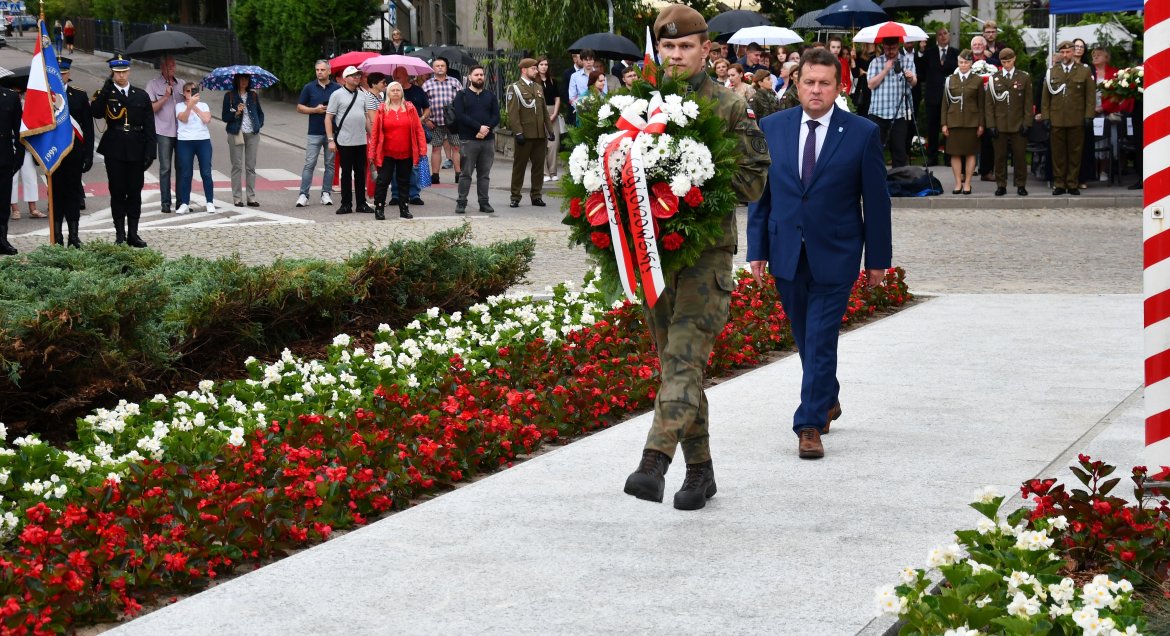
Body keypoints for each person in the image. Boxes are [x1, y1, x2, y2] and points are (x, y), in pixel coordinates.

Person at [623, 4, 769, 511]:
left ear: (706, 49)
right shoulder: (639, 106)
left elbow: (753, 180)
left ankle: (653, 462)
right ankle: (701, 472)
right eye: (668, 47)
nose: (677, 55)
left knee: (683, 358)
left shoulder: (730, 106)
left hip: (707, 254)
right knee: (675, 366)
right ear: (658, 50)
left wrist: (692, 180)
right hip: (655, 256)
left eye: (686, 46)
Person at [747, 47, 891, 461]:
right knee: (805, 336)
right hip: (786, 249)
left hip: (838, 252)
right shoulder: (773, 127)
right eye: (809, 82)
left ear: (839, 86)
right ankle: (827, 396)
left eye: (824, 83)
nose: (816, 90)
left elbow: (876, 202)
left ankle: (809, 424)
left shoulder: (861, 132)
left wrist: (878, 258)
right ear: (796, 84)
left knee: (822, 337)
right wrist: (757, 247)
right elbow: (762, 194)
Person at [92, 54, 156, 247]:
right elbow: (95, 112)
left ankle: (133, 234)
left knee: (135, 192)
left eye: (124, 71)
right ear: (113, 73)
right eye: (117, 72)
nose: (121, 75)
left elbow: (150, 126)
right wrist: (104, 90)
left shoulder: (140, 95)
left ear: (129, 71)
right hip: (115, 148)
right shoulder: (106, 93)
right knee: (118, 191)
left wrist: (150, 152)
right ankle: (120, 234)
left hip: (136, 147)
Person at [1042, 41, 1095, 195]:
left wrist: (1088, 116)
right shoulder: (1052, 71)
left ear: (1073, 52)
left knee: (1075, 152)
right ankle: (1059, 183)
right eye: (1062, 53)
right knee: (1058, 153)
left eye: (1068, 52)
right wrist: (1046, 116)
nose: (1065, 55)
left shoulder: (1083, 71)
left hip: (1076, 118)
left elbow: (1090, 96)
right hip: (1057, 118)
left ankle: (1072, 183)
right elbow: (1046, 98)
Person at [50, 57, 92, 247]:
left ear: (69, 74)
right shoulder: (45, 97)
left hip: (75, 152)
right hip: (53, 153)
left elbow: (89, 128)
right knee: (56, 194)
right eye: (58, 73)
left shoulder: (79, 96)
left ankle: (73, 236)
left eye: (64, 73)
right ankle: (57, 236)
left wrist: (89, 154)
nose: (61, 76)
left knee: (73, 194)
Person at [369, 81, 426, 220]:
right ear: (388, 93)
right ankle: (379, 208)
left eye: (398, 90)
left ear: (402, 93)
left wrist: (422, 149)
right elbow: (375, 132)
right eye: (392, 90)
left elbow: (419, 130)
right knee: (383, 181)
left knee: (404, 181)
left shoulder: (410, 108)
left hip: (406, 152)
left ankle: (404, 208)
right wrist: (372, 152)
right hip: (386, 153)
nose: (395, 92)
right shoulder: (382, 109)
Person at [325, 66, 375, 215]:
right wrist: (330, 140)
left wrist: (372, 136)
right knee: (346, 173)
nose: (357, 78)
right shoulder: (337, 95)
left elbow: (366, 117)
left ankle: (361, 203)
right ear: (345, 78)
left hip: (360, 140)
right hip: (344, 140)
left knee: (360, 173)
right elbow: (328, 118)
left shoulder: (363, 95)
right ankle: (346, 204)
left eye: (358, 75)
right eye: (353, 75)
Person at [985, 48, 1033, 196]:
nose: (1006, 64)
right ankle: (1001, 184)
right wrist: (991, 125)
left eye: (1009, 61)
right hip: (1000, 124)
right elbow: (989, 104)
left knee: (1019, 157)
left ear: (1014, 59)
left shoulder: (1023, 78)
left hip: (1018, 124)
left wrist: (1027, 123)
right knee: (1000, 157)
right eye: (1004, 62)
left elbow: (1028, 103)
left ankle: (1021, 184)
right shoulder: (994, 78)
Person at [452, 65, 499, 215]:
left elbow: (496, 116)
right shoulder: (462, 95)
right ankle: (461, 202)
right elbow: (460, 115)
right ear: (470, 77)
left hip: (488, 140)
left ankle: (484, 202)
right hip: (468, 140)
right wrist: (479, 128)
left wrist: (486, 130)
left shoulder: (490, 96)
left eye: (481, 75)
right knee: (466, 173)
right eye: (476, 75)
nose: (479, 77)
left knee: (484, 174)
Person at [505, 58, 550, 208]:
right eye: (533, 68)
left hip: (539, 134)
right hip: (525, 134)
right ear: (524, 70)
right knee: (520, 167)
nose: (536, 71)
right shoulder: (515, 88)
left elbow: (543, 110)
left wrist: (549, 130)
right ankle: (515, 196)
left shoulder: (538, 87)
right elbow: (513, 113)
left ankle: (536, 195)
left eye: (536, 68)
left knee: (538, 167)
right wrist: (518, 132)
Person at [867, 36, 917, 168]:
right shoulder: (876, 62)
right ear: (883, 47)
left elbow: (914, 83)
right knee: (875, 150)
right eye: (888, 48)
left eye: (893, 48)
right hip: (878, 112)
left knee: (899, 151)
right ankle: (877, 180)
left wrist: (911, 78)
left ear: (898, 46)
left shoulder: (907, 61)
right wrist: (885, 70)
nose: (890, 51)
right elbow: (871, 85)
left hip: (899, 113)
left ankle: (899, 182)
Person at [295, 60, 339, 208]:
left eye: (322, 70)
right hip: (314, 132)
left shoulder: (337, 88)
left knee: (330, 164)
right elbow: (300, 107)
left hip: (332, 132)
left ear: (329, 71)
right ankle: (303, 194)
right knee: (309, 163)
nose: (319, 72)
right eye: (317, 70)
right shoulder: (309, 87)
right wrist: (315, 110)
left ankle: (326, 193)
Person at [941, 50, 985, 195]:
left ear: (971, 63)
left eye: (966, 62)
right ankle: (958, 183)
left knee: (970, 153)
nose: (963, 65)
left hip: (971, 122)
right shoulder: (950, 80)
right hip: (953, 121)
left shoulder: (977, 80)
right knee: (955, 153)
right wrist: (944, 123)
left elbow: (981, 104)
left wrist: (981, 124)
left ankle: (967, 183)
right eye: (961, 62)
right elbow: (945, 103)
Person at [145, 55, 183, 213]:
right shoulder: (153, 85)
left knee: (181, 167)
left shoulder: (181, 84)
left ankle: (182, 202)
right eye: (169, 65)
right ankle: (165, 203)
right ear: (162, 67)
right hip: (163, 131)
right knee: (165, 168)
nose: (172, 68)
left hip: (181, 131)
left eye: (174, 65)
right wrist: (166, 96)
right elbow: (151, 109)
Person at [222, 73, 264, 207]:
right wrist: (236, 112)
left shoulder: (253, 95)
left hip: (252, 133)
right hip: (236, 133)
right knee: (237, 166)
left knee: (251, 166)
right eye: (241, 79)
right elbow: (224, 117)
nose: (244, 81)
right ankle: (237, 198)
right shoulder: (229, 96)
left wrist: (258, 125)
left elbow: (260, 113)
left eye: (246, 79)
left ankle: (251, 198)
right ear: (237, 80)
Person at [173, 82, 216, 215]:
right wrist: (189, 106)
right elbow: (183, 119)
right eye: (187, 91)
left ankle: (210, 202)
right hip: (185, 142)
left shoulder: (203, 105)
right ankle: (185, 203)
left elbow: (207, 119)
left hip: (202, 141)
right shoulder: (179, 106)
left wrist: (195, 107)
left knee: (206, 172)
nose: (189, 93)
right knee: (186, 173)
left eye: (192, 91)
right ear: (183, 93)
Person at [389, 67, 429, 206]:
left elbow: (427, 107)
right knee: (394, 166)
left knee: (414, 165)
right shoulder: (390, 92)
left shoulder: (417, 91)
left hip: (414, 133)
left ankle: (414, 194)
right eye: (394, 77)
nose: (396, 81)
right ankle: (396, 194)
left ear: (406, 76)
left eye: (398, 77)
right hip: (395, 135)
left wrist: (422, 118)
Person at [422, 57, 463, 186]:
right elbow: (423, 104)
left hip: (453, 122)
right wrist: (426, 120)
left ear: (446, 68)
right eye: (437, 66)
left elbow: (462, 101)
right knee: (436, 148)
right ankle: (435, 175)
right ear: (433, 68)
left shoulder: (455, 82)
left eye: (442, 65)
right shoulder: (427, 84)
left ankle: (458, 174)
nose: (440, 67)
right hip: (434, 122)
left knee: (456, 147)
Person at [921, 27, 958, 166]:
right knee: (932, 127)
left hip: (950, 96)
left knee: (950, 127)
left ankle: (949, 157)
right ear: (936, 37)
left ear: (949, 35)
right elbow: (921, 70)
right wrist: (921, 51)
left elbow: (957, 70)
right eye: (940, 34)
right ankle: (932, 157)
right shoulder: (929, 53)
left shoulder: (955, 53)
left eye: (945, 33)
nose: (942, 36)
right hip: (933, 95)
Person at [0, 84, 20, 256]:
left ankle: (2, 239)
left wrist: (19, 156)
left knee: (3, 200)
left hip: (4, 154)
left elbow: (19, 129)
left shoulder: (11, 97)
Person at [539, 57, 563, 182]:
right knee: (541, 144)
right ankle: (544, 173)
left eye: (546, 64)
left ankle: (553, 171)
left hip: (552, 111)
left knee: (554, 143)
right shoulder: (534, 82)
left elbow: (557, 98)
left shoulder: (552, 81)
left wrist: (555, 113)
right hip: (539, 112)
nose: (544, 67)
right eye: (541, 64)